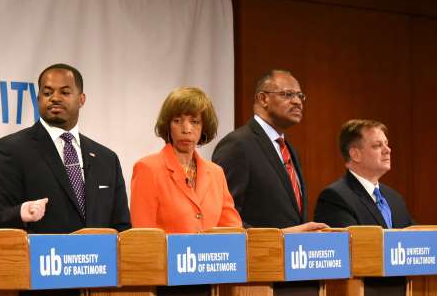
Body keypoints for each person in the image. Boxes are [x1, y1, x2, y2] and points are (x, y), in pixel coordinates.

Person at [0, 63, 130, 233]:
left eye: (65, 92)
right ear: (38, 99)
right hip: (40, 258)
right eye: (47, 93)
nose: (55, 98)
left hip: (99, 259)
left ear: (82, 99)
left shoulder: (107, 159)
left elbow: (122, 227)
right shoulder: (8, 150)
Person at [212, 69, 326, 232]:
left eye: (300, 96)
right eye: (288, 94)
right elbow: (224, 218)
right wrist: (278, 236)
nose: (297, 102)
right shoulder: (238, 145)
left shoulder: (289, 149)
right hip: (257, 254)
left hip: (293, 254)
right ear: (263, 98)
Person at [131, 86, 241, 232]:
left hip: (209, 254)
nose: (186, 129)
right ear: (168, 125)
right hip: (167, 255)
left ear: (204, 127)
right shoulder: (148, 169)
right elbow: (144, 238)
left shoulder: (216, 173)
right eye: (177, 121)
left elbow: (232, 230)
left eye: (195, 122)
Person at [314, 119, 413, 228]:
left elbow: (417, 239)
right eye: (377, 145)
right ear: (355, 154)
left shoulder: (394, 198)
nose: (388, 150)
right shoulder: (334, 198)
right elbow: (348, 243)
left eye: (386, 144)